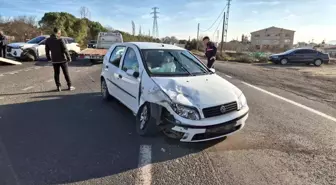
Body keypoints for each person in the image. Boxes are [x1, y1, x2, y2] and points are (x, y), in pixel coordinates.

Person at [45, 28, 75, 92]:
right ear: (58, 32)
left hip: (54, 60)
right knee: (66, 73)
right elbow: (65, 49)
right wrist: (69, 57)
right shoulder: (60, 39)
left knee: (56, 73)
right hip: (62, 59)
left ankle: (58, 87)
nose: (60, 33)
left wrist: (48, 58)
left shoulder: (48, 40)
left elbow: (47, 50)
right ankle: (69, 86)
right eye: (60, 32)